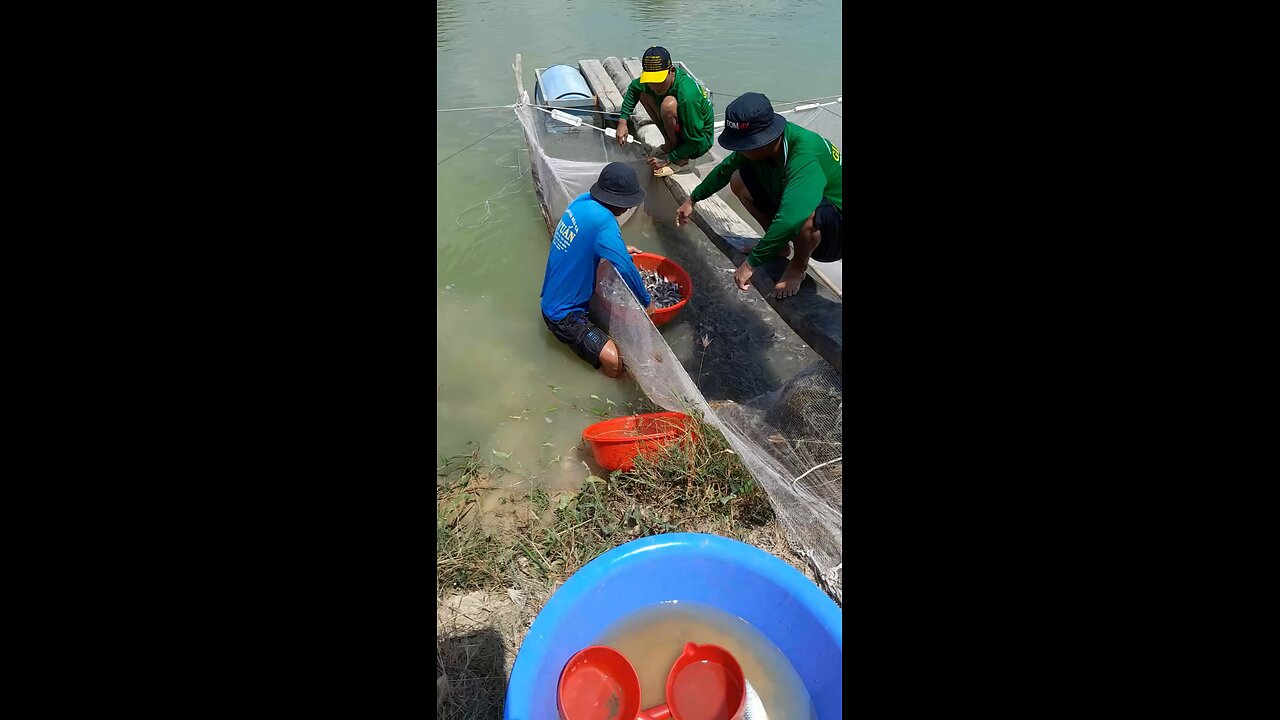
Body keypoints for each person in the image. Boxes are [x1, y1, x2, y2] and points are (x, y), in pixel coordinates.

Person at [675, 92, 842, 299]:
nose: (740, 151)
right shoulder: (760, 150)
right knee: (738, 179)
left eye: (745, 145)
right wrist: (693, 199)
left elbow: (792, 217)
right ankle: (778, 246)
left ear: (766, 138)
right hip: (799, 207)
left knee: (805, 214)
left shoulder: (805, 153)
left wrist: (752, 263)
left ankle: (798, 266)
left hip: (833, 233)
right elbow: (725, 170)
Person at [541, 162, 655, 378]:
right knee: (614, 360)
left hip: (552, 297)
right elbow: (624, 266)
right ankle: (613, 387)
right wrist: (647, 303)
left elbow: (586, 238)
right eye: (628, 202)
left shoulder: (582, 201)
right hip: (563, 316)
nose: (629, 208)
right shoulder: (604, 222)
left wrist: (617, 248)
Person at [615, 46, 715, 175]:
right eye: (651, 81)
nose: (654, 86)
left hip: (700, 140)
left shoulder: (687, 96)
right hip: (684, 129)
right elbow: (634, 88)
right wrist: (623, 121)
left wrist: (670, 158)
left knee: (668, 105)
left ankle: (681, 160)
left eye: (659, 81)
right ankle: (670, 144)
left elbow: (697, 141)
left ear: (671, 71)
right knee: (644, 94)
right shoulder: (652, 84)